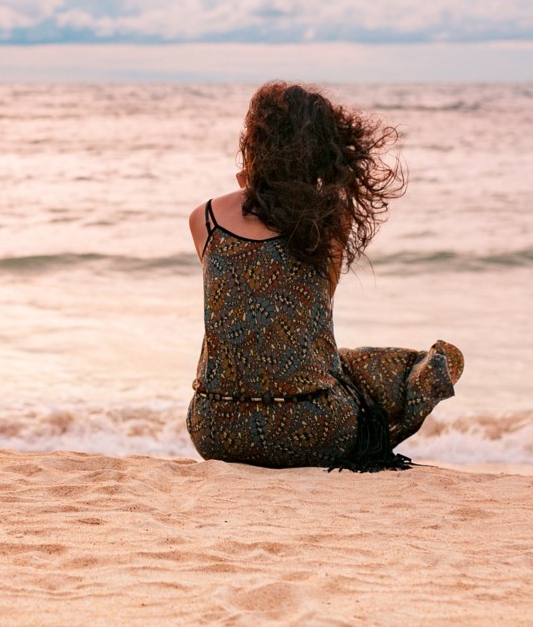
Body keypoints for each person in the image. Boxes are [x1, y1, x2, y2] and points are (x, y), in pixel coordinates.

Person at [186, 81, 463, 472]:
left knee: (338, 364)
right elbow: (311, 315)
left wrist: (252, 181)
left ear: (253, 143)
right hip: (312, 428)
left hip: (215, 427)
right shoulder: (328, 222)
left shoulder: (206, 219)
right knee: (397, 368)